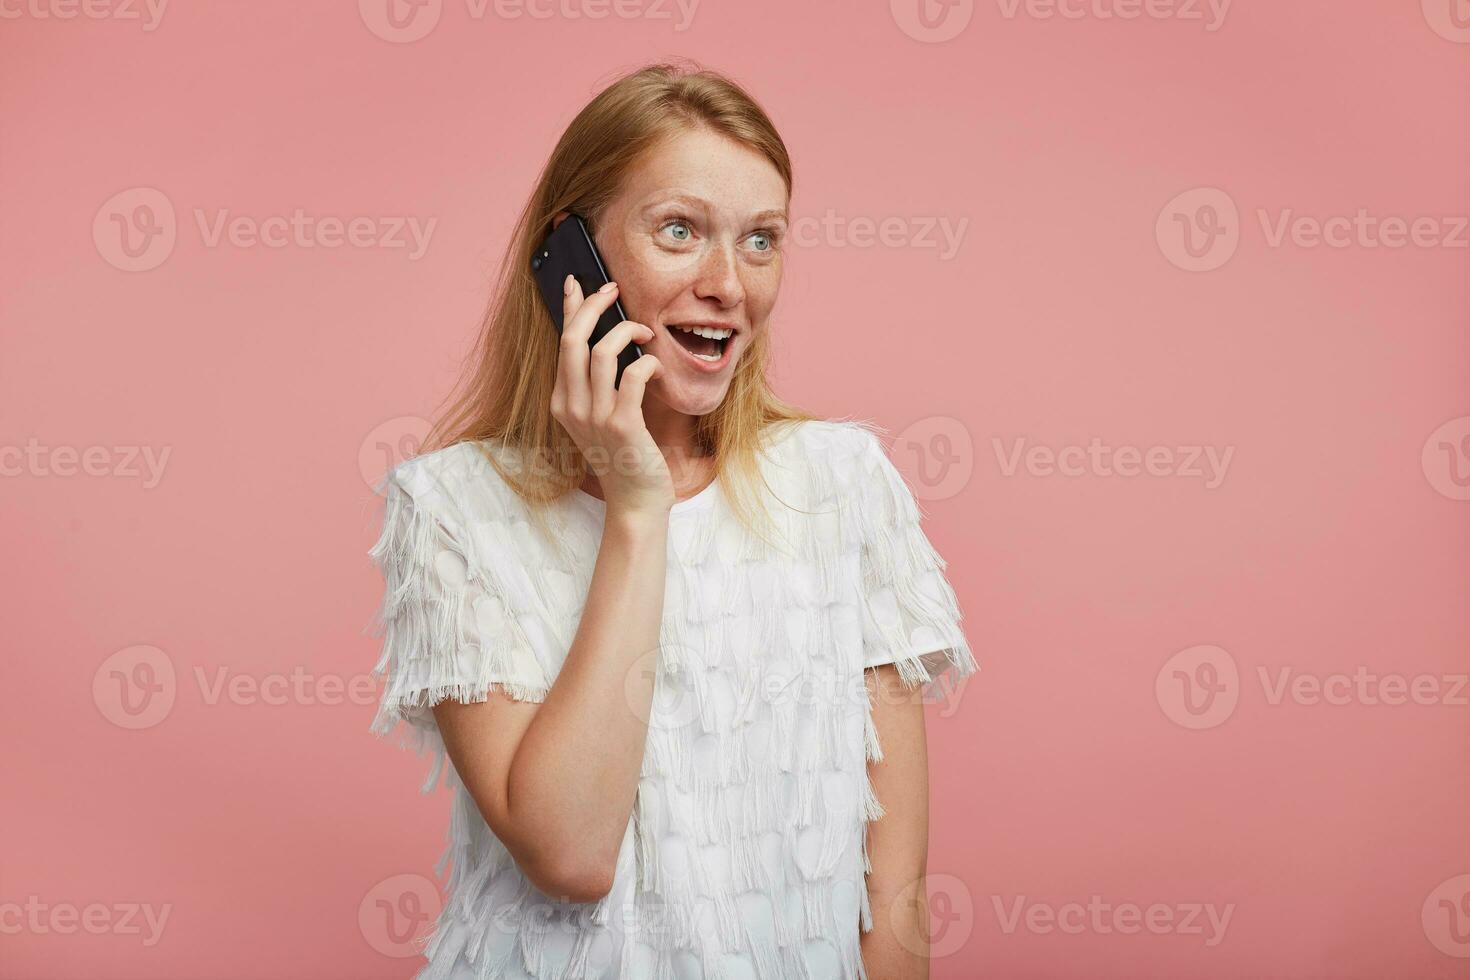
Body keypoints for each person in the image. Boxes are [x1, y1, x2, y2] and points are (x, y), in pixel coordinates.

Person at [366, 60, 978, 980]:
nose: (728, 284)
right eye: (680, 231)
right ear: (571, 255)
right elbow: (570, 855)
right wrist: (637, 506)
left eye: (762, 239)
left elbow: (893, 899)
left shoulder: (844, 485)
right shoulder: (451, 511)